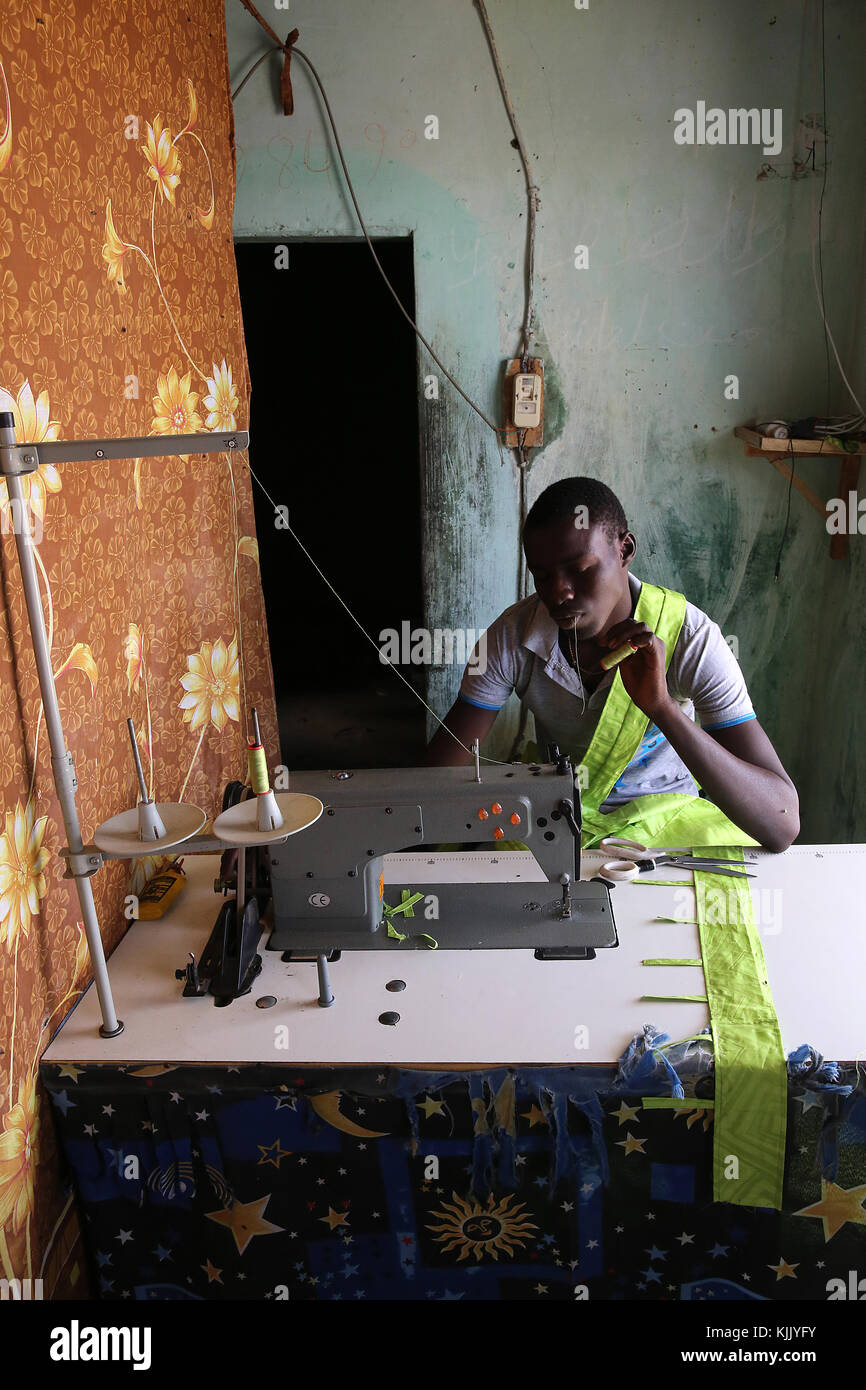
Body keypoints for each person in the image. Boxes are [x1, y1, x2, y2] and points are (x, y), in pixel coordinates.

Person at [425, 477, 799, 852]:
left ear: (625, 549)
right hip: (556, 815)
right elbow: (438, 776)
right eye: (542, 575)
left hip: (664, 826)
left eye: (581, 569)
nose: (560, 592)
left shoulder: (690, 637)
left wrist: (662, 707)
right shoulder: (511, 638)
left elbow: (782, 824)